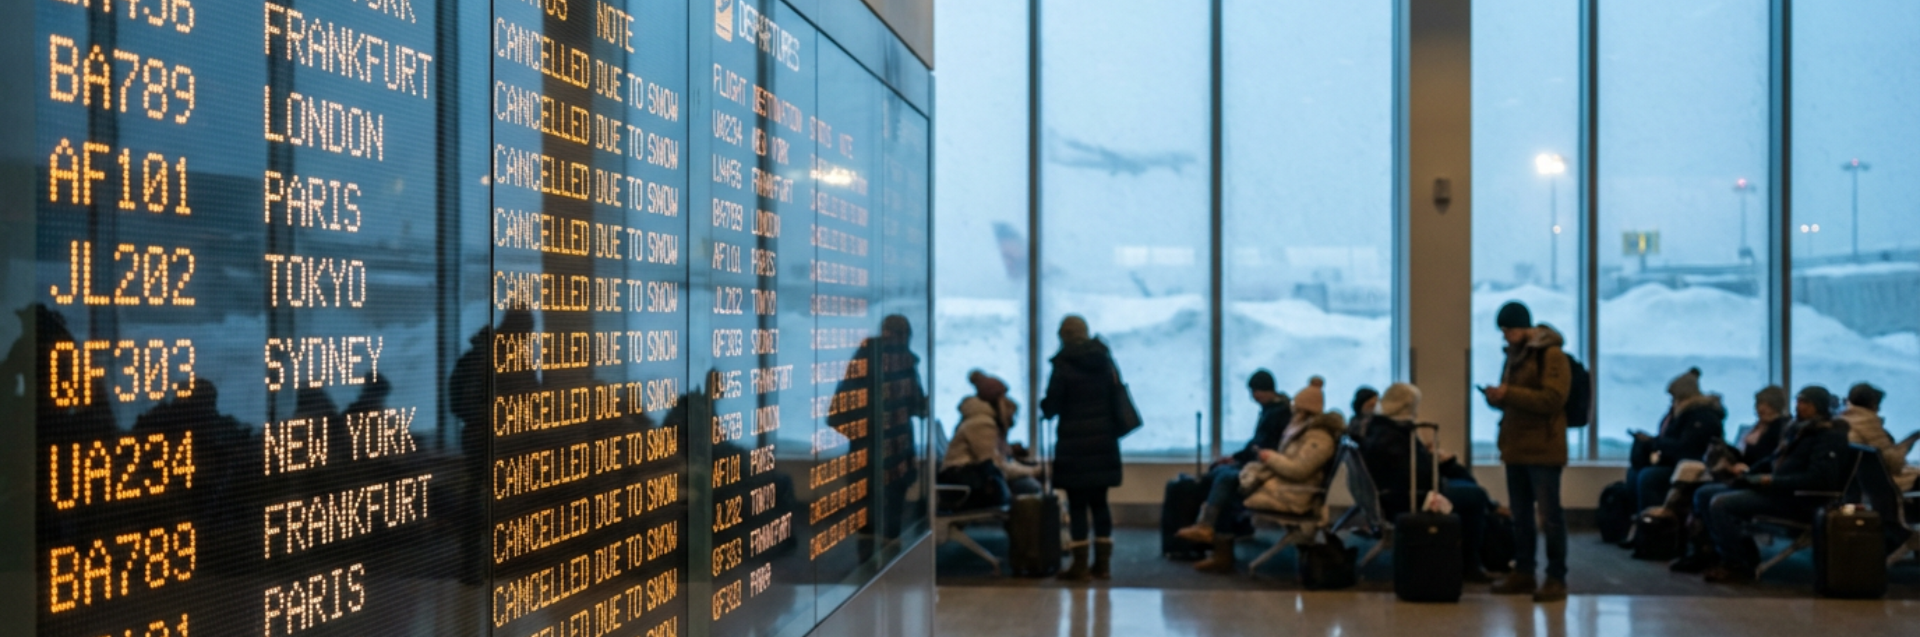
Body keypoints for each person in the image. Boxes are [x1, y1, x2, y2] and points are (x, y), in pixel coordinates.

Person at [1696, 386, 1854, 583]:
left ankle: (1736, 562)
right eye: (1798, 401)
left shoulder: (1828, 436)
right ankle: (1735, 553)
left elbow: (1820, 479)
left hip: (1796, 499)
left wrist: (1771, 481)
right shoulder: (1800, 430)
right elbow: (1773, 460)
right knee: (1704, 494)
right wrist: (1749, 475)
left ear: (1818, 407)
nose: (1799, 406)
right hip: (1777, 491)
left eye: (1806, 402)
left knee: (1721, 503)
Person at [1192, 384, 1345, 576]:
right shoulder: (1307, 433)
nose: (1293, 412)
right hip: (1286, 486)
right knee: (1227, 479)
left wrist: (1270, 458)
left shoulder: (1317, 438)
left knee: (1229, 486)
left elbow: (1298, 470)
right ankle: (1210, 534)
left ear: (1305, 410)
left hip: (1292, 494)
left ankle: (1218, 548)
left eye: (1296, 408)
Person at [1482, 301, 1572, 602]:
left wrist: (1510, 394)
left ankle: (1556, 576)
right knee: (1521, 515)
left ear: (1524, 328)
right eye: (1504, 331)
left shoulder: (1552, 354)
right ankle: (1524, 571)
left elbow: (1553, 399)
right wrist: (1497, 397)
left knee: (1550, 516)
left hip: (1544, 447)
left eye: (1509, 330)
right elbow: (1518, 397)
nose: (1506, 336)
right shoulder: (1514, 356)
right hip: (1516, 445)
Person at [1362, 383, 1494, 582]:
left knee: (1464, 482)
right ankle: (1471, 563)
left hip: (1394, 493)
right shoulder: (1393, 434)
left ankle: (1474, 555)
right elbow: (1414, 474)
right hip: (1407, 497)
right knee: (1475, 496)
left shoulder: (1380, 429)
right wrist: (1433, 460)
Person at [1668, 385, 1793, 573]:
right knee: (1700, 492)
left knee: (1714, 499)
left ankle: (1733, 556)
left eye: (1766, 404)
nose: (1762, 408)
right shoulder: (1757, 428)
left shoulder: (1780, 429)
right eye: (1760, 404)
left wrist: (1747, 470)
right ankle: (1706, 549)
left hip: (1761, 483)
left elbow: (1770, 460)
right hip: (1748, 477)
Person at [1041, 315, 1125, 581]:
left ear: (1063, 335)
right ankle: (1103, 565)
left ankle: (1079, 566)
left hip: (1074, 444)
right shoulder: (1105, 360)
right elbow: (1116, 399)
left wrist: (1045, 406)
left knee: (1077, 505)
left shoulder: (1063, 364)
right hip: (1103, 442)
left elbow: (1052, 406)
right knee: (1100, 504)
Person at [1173, 370, 1292, 552]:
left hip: (1264, 467)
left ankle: (1208, 527)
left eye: (1254, 392)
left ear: (1260, 391)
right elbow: (1258, 445)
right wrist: (1236, 458)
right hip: (1261, 463)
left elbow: (1261, 446)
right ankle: (1218, 531)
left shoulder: (1277, 414)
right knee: (1221, 472)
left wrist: (1237, 459)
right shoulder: (1275, 411)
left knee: (1225, 477)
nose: (1253, 397)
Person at [1625, 368, 1728, 514]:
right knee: (1635, 473)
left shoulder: (1703, 417)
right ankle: (1640, 520)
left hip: (1692, 466)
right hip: (1677, 462)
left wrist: (1655, 443)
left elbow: (1687, 448)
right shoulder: (1683, 415)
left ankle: (1655, 522)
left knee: (1648, 477)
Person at [944, 371, 1042, 497]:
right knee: (1030, 487)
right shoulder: (981, 423)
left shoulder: (979, 420)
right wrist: (1035, 471)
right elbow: (994, 465)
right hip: (969, 481)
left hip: (971, 477)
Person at [1840, 383, 1919, 491]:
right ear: (1873, 404)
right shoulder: (1868, 422)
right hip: (1878, 485)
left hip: (1857, 484)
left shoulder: (1844, 419)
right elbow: (1894, 464)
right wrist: (1911, 440)